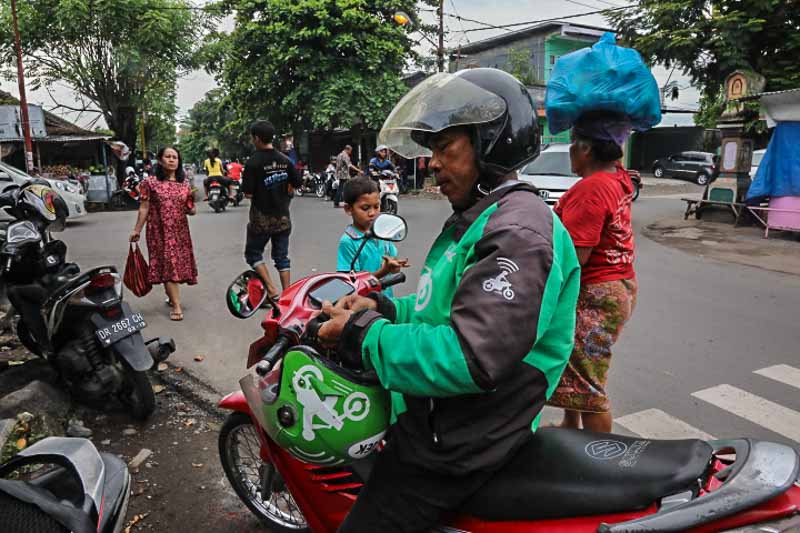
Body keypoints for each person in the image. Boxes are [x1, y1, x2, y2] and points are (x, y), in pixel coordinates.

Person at [315, 69, 581, 532]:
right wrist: (384, 310)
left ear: (491, 144)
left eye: (444, 148)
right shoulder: (480, 218)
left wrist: (360, 334)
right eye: (432, 150)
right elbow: (448, 312)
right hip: (441, 423)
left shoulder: (517, 231)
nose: (432, 163)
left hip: (460, 445)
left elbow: (470, 355)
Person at [546, 111, 639, 433]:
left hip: (596, 293)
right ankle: (570, 426)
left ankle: (602, 458)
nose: (570, 150)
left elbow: (575, 258)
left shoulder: (592, 188)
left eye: (572, 144)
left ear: (585, 149)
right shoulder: (617, 178)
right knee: (574, 364)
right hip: (618, 286)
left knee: (587, 378)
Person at [129, 147, 197, 321]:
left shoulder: (185, 184)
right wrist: (137, 229)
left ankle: (172, 296)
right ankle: (176, 305)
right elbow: (144, 208)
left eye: (175, 157)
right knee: (168, 264)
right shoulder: (150, 183)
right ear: (160, 160)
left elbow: (191, 211)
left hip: (180, 232)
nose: (172, 160)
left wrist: (191, 207)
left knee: (173, 265)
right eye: (168, 156)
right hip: (158, 232)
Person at [241, 120, 303, 300]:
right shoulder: (285, 160)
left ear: (256, 138)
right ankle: (288, 295)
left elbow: (248, 193)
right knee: (282, 257)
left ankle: (272, 289)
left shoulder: (253, 162)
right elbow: (297, 183)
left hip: (261, 219)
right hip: (283, 218)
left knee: (253, 254)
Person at [337, 178, 409, 296]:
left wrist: (394, 267)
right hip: (363, 308)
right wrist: (383, 271)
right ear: (348, 209)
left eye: (376, 207)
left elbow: (391, 261)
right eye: (365, 208)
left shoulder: (383, 234)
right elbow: (350, 284)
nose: (372, 213)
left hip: (386, 301)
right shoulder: (348, 242)